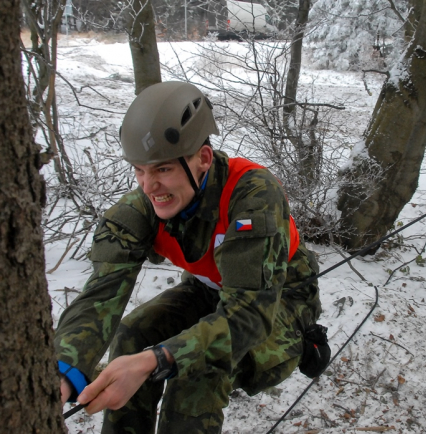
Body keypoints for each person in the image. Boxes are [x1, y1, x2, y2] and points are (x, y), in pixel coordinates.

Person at [55, 81, 323, 433]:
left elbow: (250, 316)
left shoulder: (253, 196)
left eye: (163, 169)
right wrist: (63, 370)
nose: (150, 187)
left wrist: (160, 359)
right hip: (208, 291)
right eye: (140, 170)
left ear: (203, 159)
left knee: (196, 369)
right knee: (132, 336)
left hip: (278, 304)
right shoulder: (144, 207)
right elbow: (100, 296)